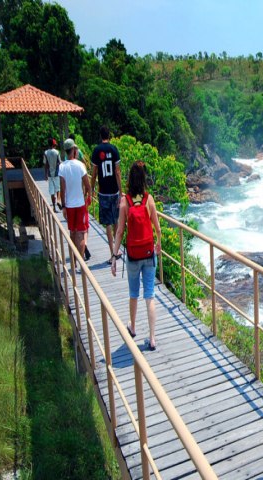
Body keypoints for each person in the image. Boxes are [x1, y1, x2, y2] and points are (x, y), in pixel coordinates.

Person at [111, 161, 162, 351]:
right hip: (149, 254)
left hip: (132, 256)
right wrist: (158, 244)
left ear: (129, 179)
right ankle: (152, 338)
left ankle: (132, 327)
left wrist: (114, 256)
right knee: (150, 295)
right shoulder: (149, 199)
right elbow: (157, 228)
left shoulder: (125, 201)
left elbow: (119, 232)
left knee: (134, 293)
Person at [91, 126, 122, 264]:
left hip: (103, 192)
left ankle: (112, 254)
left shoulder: (96, 151)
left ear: (100, 135)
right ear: (109, 135)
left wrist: (91, 188)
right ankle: (117, 249)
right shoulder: (114, 149)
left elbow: (94, 173)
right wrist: (121, 191)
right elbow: (117, 172)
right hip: (114, 191)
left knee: (108, 223)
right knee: (116, 220)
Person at [58, 138, 91, 260]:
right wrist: (86, 196)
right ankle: (81, 262)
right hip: (80, 204)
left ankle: (73, 262)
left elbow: (62, 189)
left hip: (69, 205)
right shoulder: (80, 165)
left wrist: (64, 206)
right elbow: (88, 186)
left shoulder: (62, 167)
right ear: (73, 150)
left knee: (72, 233)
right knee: (81, 234)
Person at [43, 137, 61, 212]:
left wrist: (46, 174)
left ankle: (54, 207)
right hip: (56, 173)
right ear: (53, 145)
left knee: (51, 191)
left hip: (50, 174)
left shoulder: (46, 153)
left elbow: (45, 164)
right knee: (58, 188)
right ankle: (58, 200)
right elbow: (59, 162)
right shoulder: (57, 152)